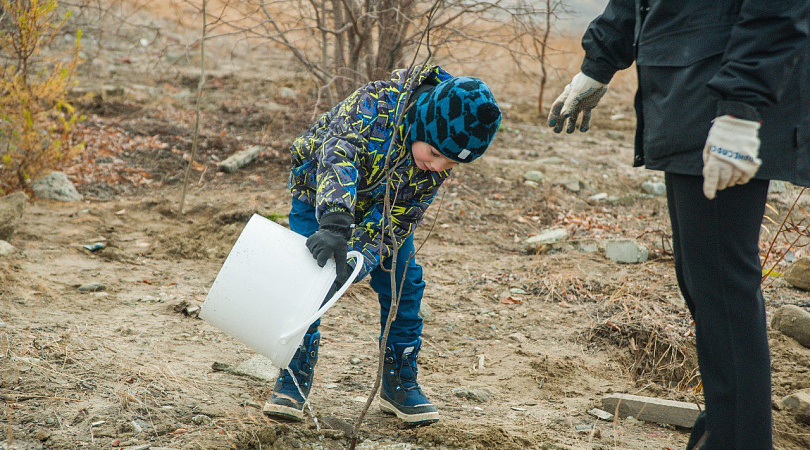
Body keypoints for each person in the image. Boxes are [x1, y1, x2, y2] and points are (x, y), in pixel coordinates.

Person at [548, 2, 809, 449]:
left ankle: (739, 440)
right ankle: (725, 430)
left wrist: (741, 106)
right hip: (687, 90)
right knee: (703, 282)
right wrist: (598, 63)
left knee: (723, 285)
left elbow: (779, 7)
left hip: (722, 97)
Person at [262, 65, 501, 425]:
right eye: (436, 154)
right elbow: (338, 154)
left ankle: (399, 380)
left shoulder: (436, 159)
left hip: (382, 211)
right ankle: (293, 372)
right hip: (321, 197)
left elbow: (401, 219)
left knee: (404, 283)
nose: (438, 167)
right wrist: (335, 223)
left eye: (450, 163)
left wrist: (364, 255)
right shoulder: (377, 103)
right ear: (423, 122)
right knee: (307, 277)